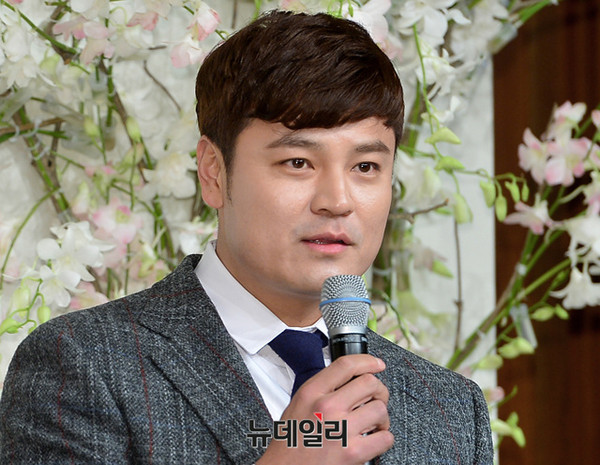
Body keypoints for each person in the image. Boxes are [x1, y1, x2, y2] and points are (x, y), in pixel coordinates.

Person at [0, 10, 493, 465]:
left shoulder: (448, 409)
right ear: (213, 172)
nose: (337, 200)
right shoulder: (85, 365)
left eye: (366, 167)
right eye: (298, 162)